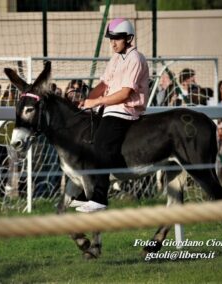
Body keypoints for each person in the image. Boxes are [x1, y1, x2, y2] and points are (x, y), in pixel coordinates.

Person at [76, 18, 149, 212]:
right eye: (111, 39)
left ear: (128, 38)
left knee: (100, 144)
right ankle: (87, 192)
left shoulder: (136, 58)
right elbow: (103, 85)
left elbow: (125, 94)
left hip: (125, 110)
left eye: (117, 38)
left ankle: (99, 199)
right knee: (87, 139)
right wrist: (86, 101)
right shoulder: (116, 58)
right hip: (109, 109)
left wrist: (96, 102)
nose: (113, 43)